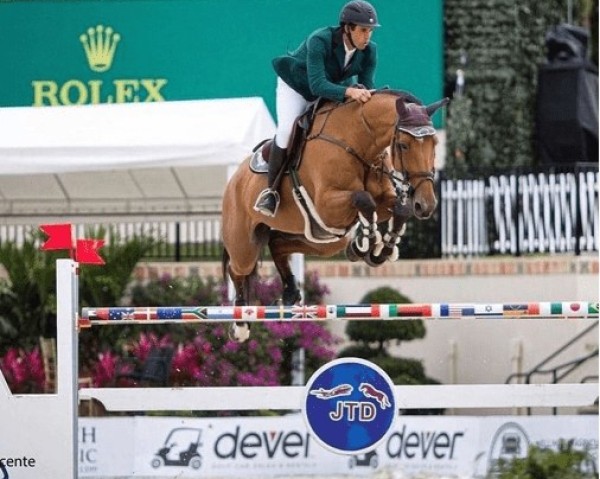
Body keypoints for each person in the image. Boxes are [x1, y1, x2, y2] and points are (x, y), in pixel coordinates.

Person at [254, 0, 381, 217]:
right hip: (296, 86)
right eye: (362, 30)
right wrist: (350, 92)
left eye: (370, 31)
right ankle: (271, 192)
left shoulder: (369, 51)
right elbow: (317, 85)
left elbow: (367, 87)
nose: (367, 36)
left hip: (332, 89)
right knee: (286, 130)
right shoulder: (320, 40)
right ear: (347, 28)